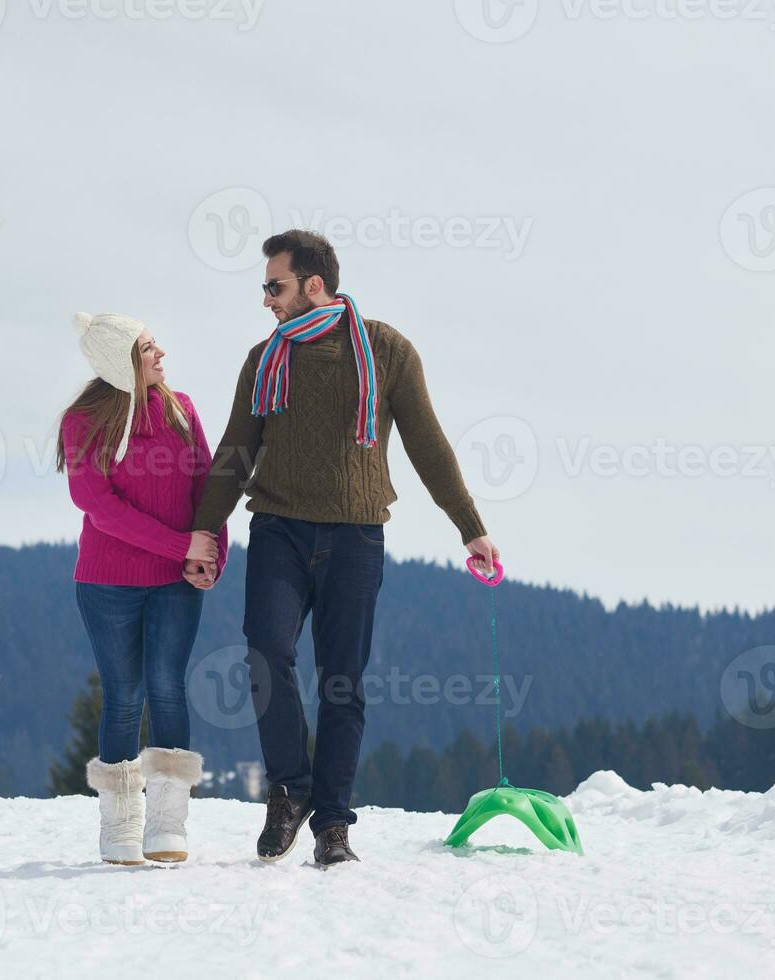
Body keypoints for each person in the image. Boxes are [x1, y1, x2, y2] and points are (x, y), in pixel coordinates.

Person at [185, 230, 500, 868]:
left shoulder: (386, 351)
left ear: (314, 285)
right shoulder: (264, 359)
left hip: (357, 536)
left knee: (342, 682)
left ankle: (332, 823)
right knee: (265, 652)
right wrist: (203, 530)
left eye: (274, 286)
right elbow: (236, 450)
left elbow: (427, 445)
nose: (266, 300)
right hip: (278, 529)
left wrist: (470, 525)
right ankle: (290, 789)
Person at [57, 311, 228, 865]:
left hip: (177, 582)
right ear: (121, 361)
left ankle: (167, 824)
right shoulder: (83, 421)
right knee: (125, 695)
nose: (162, 355)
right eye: (150, 348)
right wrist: (182, 548)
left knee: (168, 686)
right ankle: (120, 827)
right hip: (108, 582)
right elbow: (98, 507)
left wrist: (211, 553)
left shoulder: (182, 410)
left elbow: (209, 485)